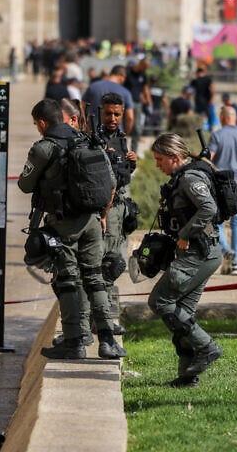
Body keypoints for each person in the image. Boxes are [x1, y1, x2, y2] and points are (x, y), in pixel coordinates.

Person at [17, 99, 126, 360]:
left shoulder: (44, 148)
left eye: (36, 125)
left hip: (63, 223)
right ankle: (107, 341)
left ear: (43, 123)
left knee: (66, 281)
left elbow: (25, 184)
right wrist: (101, 214)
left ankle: (74, 342)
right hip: (93, 221)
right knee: (95, 279)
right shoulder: (87, 141)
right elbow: (111, 182)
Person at [149, 133, 224, 388]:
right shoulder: (182, 177)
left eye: (160, 159)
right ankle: (187, 376)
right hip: (202, 254)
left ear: (174, 157)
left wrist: (184, 233)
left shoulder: (190, 178)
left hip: (198, 254)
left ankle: (208, 347)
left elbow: (209, 208)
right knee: (183, 313)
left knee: (160, 300)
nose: (157, 165)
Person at [97, 93, 138, 334]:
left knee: (113, 263)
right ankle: (101, 319)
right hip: (106, 209)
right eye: (108, 113)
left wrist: (131, 162)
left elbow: (123, 173)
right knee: (108, 264)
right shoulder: (95, 139)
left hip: (120, 209)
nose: (112, 118)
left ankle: (102, 318)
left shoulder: (121, 139)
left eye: (117, 114)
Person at [207, 106, 237, 275]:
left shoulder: (217, 136)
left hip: (221, 184)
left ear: (223, 117)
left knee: (216, 222)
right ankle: (235, 264)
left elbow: (209, 157)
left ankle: (226, 249)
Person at [81, 64, 134, 135]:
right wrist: (125, 134)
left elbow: (81, 108)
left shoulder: (93, 86)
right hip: (115, 135)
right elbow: (130, 117)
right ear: (122, 76)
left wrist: (85, 127)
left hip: (93, 133)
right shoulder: (125, 92)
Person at [190, 66, 218, 130]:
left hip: (198, 101)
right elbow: (213, 89)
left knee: (197, 116)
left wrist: (191, 100)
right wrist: (211, 99)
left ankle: (197, 129)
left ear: (197, 73)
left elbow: (190, 91)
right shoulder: (208, 79)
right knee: (209, 116)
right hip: (207, 101)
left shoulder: (195, 81)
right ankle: (210, 129)